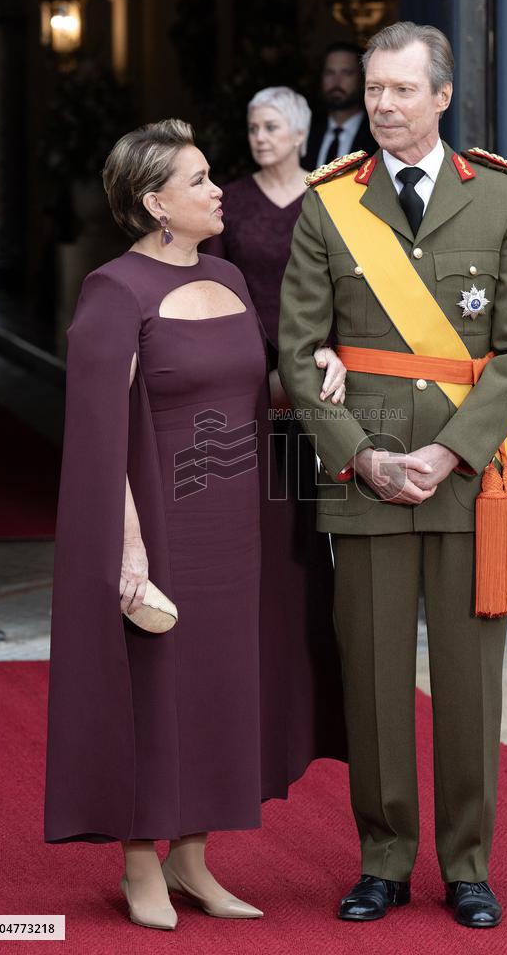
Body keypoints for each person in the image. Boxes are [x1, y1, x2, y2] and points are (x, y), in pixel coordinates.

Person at [44, 119, 345, 932]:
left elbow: (255, 393)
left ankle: (191, 858)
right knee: (155, 687)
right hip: (161, 525)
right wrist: (128, 548)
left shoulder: (231, 278)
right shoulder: (115, 291)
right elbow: (100, 434)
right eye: (201, 180)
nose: (220, 191)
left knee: (219, 686)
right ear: (155, 203)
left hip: (243, 526)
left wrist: (319, 366)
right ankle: (140, 863)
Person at [279, 21, 507, 930]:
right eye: (374, 90)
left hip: (468, 478)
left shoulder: (500, 199)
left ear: (442, 96)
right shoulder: (330, 202)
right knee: (375, 678)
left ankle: (468, 865)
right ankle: (384, 861)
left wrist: (448, 452)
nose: (383, 105)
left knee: (470, 685)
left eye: (401, 89)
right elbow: (298, 347)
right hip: (368, 474)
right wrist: (364, 455)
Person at [203, 88, 345, 692]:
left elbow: (350, 284)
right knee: (249, 507)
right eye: (253, 128)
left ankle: (309, 644)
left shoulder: (331, 196)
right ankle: (247, 637)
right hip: (246, 375)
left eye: (270, 127)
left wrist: (332, 353)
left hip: (321, 374)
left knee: (310, 514)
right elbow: (211, 284)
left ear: (299, 134)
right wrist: (249, 365)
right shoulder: (229, 201)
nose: (259, 137)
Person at [302, 42, 378, 171]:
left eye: (346, 73)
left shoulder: (377, 136)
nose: (336, 81)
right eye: (329, 73)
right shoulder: (306, 132)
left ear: (362, 78)